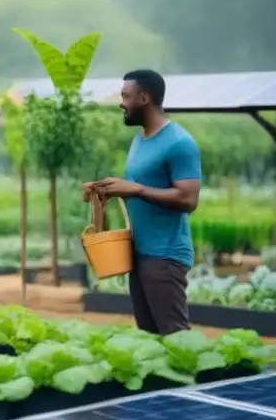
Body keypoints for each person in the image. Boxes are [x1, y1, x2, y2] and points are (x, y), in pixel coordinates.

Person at [85, 69, 202, 335]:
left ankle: (198, 378)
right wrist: (102, 188)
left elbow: (188, 198)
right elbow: (139, 185)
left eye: (126, 96)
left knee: (174, 334)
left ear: (145, 98)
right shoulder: (139, 141)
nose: (121, 103)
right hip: (139, 253)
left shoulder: (179, 143)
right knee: (148, 333)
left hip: (165, 255)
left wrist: (136, 189)